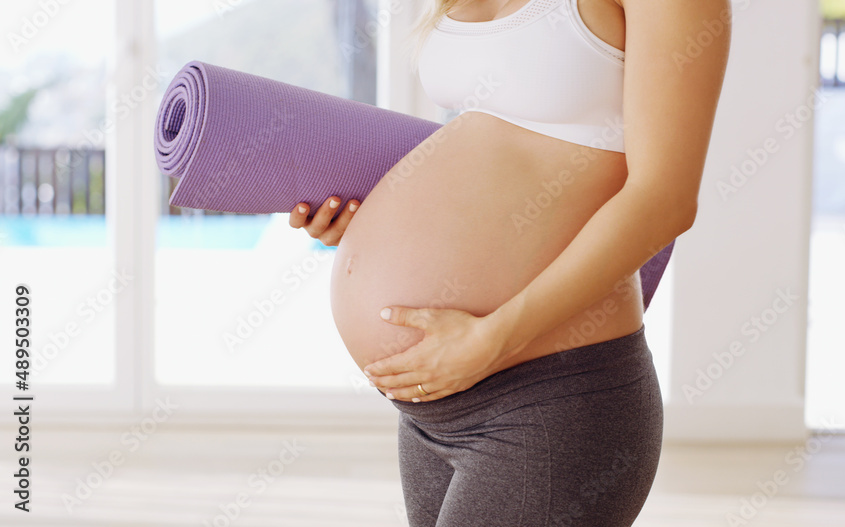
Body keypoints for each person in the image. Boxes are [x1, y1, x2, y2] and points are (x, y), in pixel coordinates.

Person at [290, 0, 731, 524]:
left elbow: (664, 201)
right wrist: (370, 218)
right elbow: (504, 147)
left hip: (547, 398)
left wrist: (494, 336)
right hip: (435, 406)